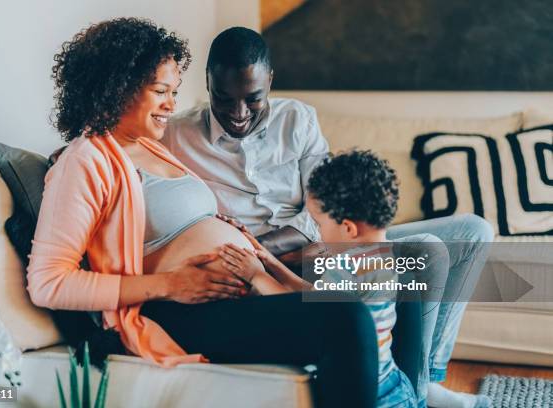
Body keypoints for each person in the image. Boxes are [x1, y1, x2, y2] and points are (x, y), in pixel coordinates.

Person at [28, 18, 378, 408]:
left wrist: (242, 244)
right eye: (161, 91)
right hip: (180, 309)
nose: (171, 105)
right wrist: (172, 285)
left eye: (174, 92)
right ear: (117, 88)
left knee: (395, 286)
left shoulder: (154, 147)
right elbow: (49, 283)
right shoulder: (85, 159)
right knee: (346, 318)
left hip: (251, 282)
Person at [162, 26, 494, 408]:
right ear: (207, 83)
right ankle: (416, 391)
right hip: (265, 263)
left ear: (270, 81)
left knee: (471, 232)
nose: (237, 114)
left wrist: (264, 247)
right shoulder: (177, 134)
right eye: (223, 99)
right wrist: (253, 257)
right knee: (423, 253)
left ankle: (426, 379)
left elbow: (322, 208)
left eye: (252, 99)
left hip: (319, 242)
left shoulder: (299, 120)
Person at [219, 150, 421, 407]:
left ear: (348, 228)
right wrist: (272, 263)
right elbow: (318, 297)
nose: (319, 234)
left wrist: (256, 275)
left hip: (371, 392)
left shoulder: (349, 266)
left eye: (319, 224)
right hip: (393, 383)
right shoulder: (381, 256)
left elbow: (306, 312)